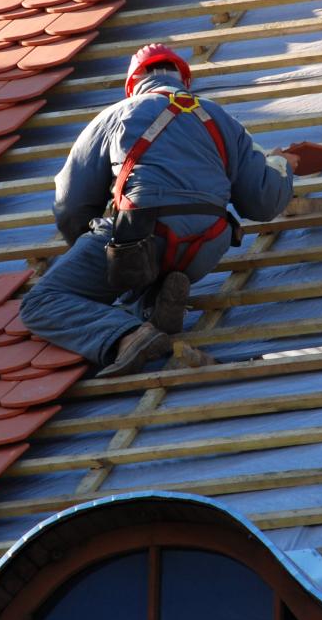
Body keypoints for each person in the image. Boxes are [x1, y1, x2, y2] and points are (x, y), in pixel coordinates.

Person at [19, 43, 298, 377]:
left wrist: (92, 253)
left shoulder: (116, 115)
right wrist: (282, 163)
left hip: (141, 235)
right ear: (184, 80)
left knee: (42, 302)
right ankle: (153, 306)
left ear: (133, 84)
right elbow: (263, 202)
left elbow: (70, 204)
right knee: (140, 270)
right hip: (207, 245)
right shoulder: (223, 119)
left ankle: (128, 335)